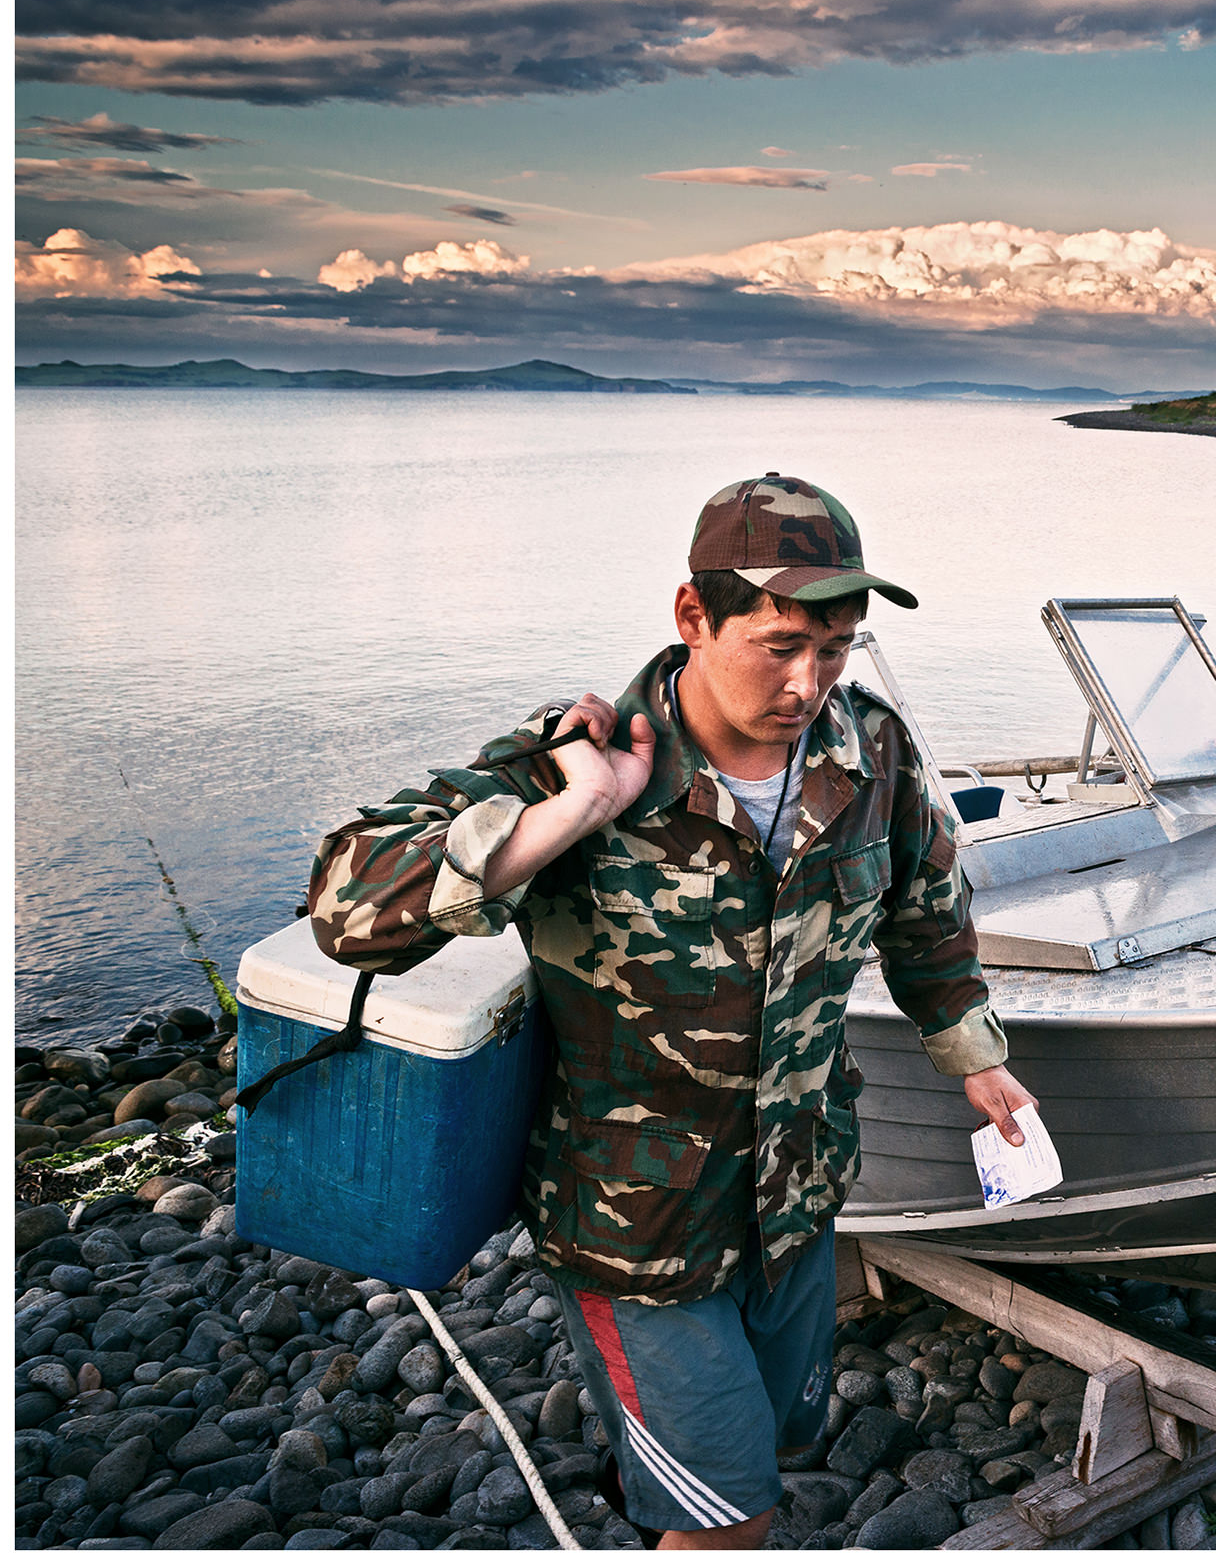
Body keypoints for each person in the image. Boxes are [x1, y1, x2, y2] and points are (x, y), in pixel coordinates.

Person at [307, 472, 1036, 1549]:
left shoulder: (867, 748)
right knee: (731, 1522)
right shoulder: (580, 760)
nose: (809, 681)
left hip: (796, 1194)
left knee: (783, 1443)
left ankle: (650, 1486)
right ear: (694, 616)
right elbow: (345, 905)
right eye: (780, 644)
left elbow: (925, 906)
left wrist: (972, 1053)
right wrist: (571, 815)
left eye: (835, 648)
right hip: (634, 1231)